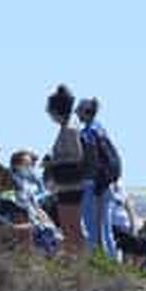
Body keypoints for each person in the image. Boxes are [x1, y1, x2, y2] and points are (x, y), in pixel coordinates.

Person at [45, 85, 86, 257]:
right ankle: (75, 259)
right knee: (68, 227)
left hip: (71, 185)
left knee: (71, 227)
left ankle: (80, 262)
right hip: (66, 185)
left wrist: (53, 162)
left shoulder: (69, 129)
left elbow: (76, 156)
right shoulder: (68, 126)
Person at [76, 97, 120, 257]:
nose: (76, 113)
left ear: (86, 112)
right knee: (105, 228)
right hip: (104, 184)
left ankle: (98, 262)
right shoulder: (100, 129)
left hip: (93, 185)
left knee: (93, 228)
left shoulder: (89, 133)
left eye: (79, 110)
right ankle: (111, 262)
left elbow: (89, 160)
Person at [110, 182, 146, 269]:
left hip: (127, 226)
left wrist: (133, 226)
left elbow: (128, 205)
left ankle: (135, 270)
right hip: (114, 226)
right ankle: (126, 270)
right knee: (129, 242)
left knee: (144, 244)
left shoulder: (120, 186)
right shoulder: (106, 188)